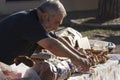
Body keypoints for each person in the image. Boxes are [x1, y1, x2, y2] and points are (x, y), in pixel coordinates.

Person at [0, 0, 90, 72]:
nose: (56, 27)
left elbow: (57, 39)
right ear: (45, 16)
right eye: (56, 22)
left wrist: (79, 55)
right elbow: (51, 45)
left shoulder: (38, 20)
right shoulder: (28, 21)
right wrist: (76, 58)